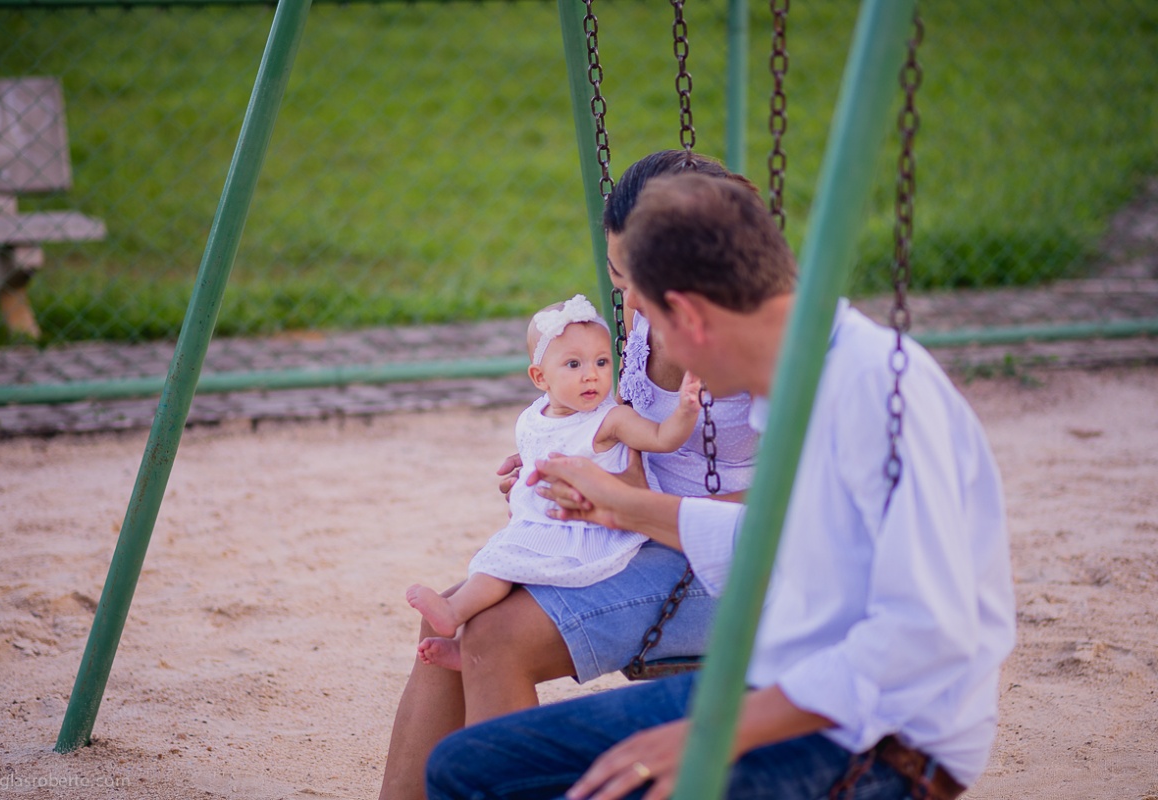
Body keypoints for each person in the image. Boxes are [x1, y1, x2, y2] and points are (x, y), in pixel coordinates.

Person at [424, 173, 1016, 800]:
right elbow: (783, 540)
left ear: (691, 316)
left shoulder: (876, 394)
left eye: (652, 318)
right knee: (469, 764)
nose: (650, 343)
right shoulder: (793, 379)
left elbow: (924, 634)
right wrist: (623, 507)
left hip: (879, 745)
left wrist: (713, 733)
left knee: (504, 778)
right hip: (776, 686)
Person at [378, 151, 761, 800]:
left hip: (721, 562)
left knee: (495, 637)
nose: (630, 299)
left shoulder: (762, 346)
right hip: (636, 532)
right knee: (447, 618)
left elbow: (794, 512)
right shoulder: (647, 311)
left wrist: (618, 500)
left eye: (643, 277)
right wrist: (560, 461)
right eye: (619, 276)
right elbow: (626, 426)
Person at [407, 293, 702, 650]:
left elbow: (662, 437)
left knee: (502, 567)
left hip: (582, 531)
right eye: (574, 365)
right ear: (539, 377)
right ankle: (463, 647)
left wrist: (685, 410)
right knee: (498, 567)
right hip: (541, 524)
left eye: (602, 362)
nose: (591, 375)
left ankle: (453, 613)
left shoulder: (611, 419)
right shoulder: (534, 416)